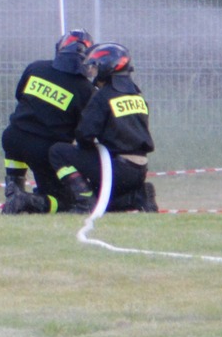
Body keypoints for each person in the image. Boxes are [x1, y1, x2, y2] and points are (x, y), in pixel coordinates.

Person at [48, 42, 157, 213]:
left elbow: (84, 134)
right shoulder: (137, 95)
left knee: (58, 151)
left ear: (107, 67)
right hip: (139, 170)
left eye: (96, 67)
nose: (93, 72)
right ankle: (137, 196)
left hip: (116, 169)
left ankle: (83, 200)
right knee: (103, 203)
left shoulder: (103, 96)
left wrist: (86, 152)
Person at [0, 30, 95, 214]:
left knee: (16, 153)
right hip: (45, 150)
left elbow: (20, 95)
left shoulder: (36, 68)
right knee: (65, 201)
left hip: (13, 136)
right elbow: (85, 129)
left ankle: (13, 191)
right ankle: (25, 202)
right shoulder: (86, 90)